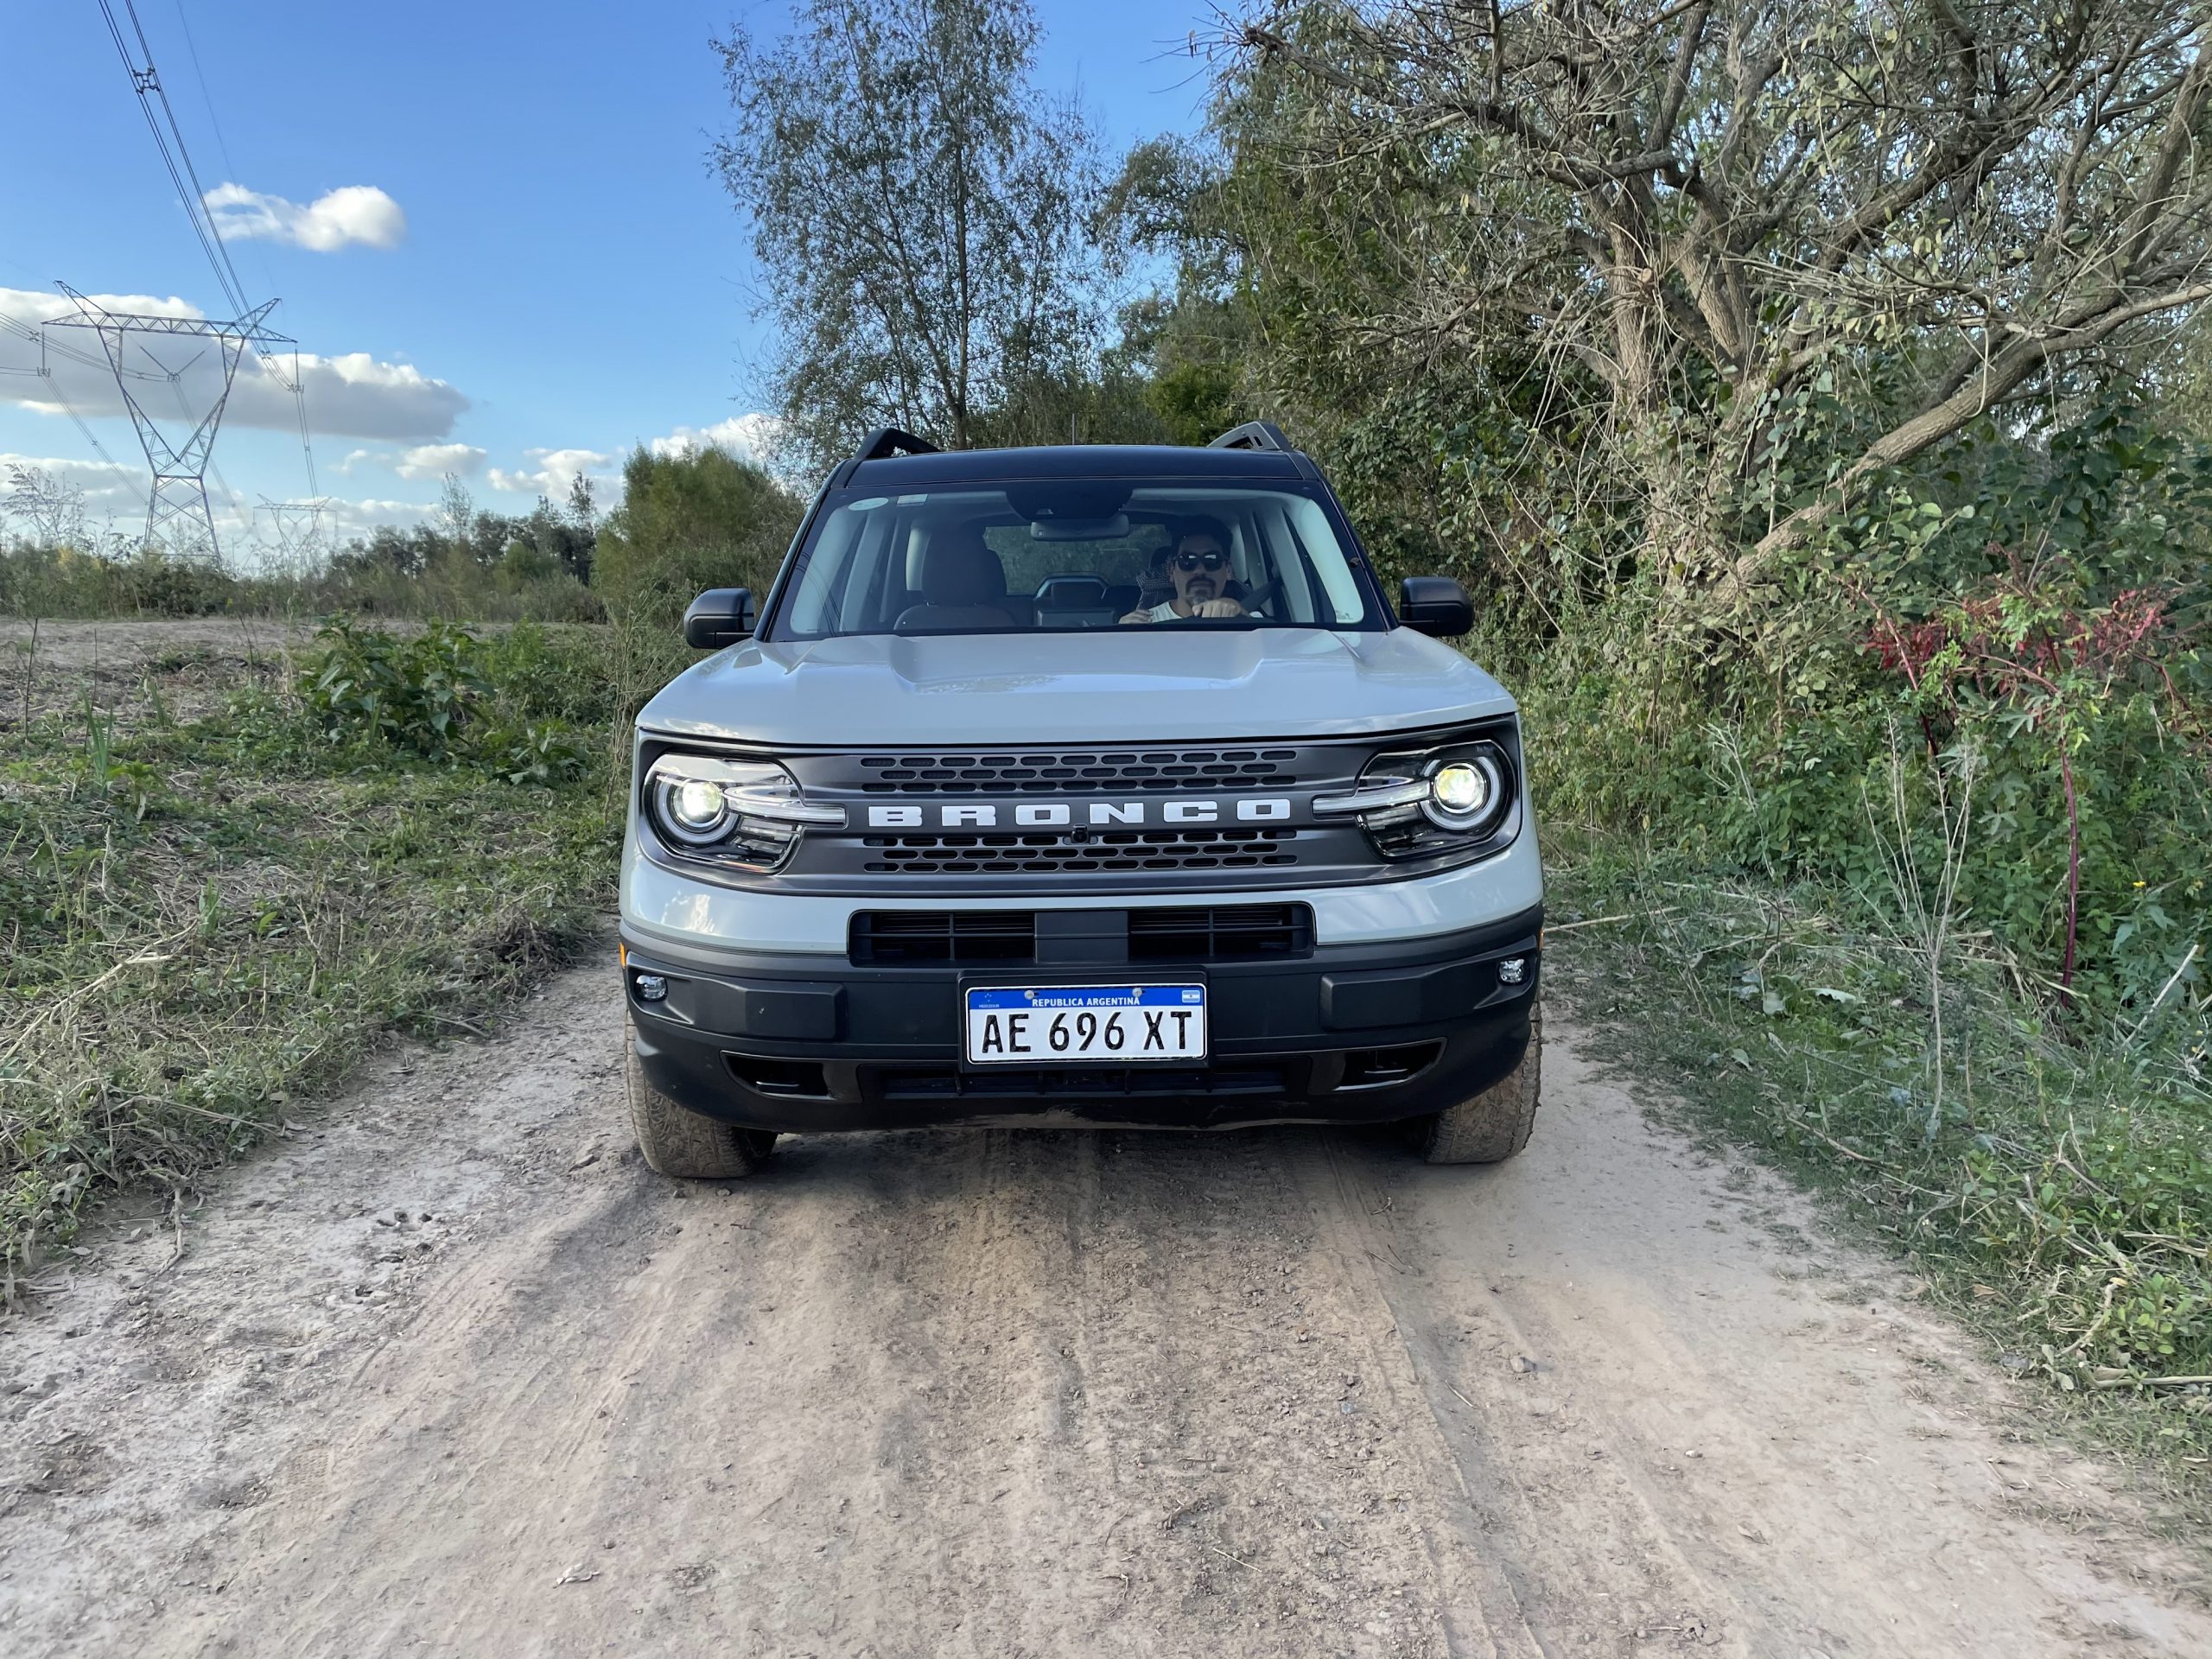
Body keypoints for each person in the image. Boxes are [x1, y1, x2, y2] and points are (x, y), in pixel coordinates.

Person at [1121, 517, 1249, 623]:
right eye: (1187, 561)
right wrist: (1120, 636)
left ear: (1228, 570)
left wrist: (1242, 617)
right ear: (1171, 571)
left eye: (1211, 560)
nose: (1200, 570)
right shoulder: (1145, 624)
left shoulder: (1253, 624)